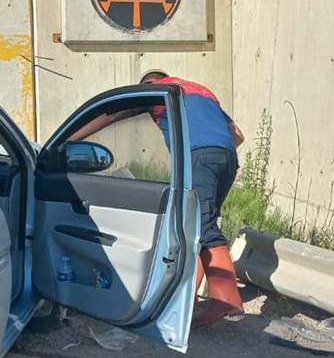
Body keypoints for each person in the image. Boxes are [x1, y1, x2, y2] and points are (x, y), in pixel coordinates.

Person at [67, 70, 245, 327]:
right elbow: (237, 134)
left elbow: (114, 113)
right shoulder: (201, 90)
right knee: (193, 228)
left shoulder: (158, 89)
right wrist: (213, 153)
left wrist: (70, 140)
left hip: (199, 156)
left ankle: (226, 299)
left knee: (201, 225)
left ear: (147, 84)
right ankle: (185, 299)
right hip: (227, 157)